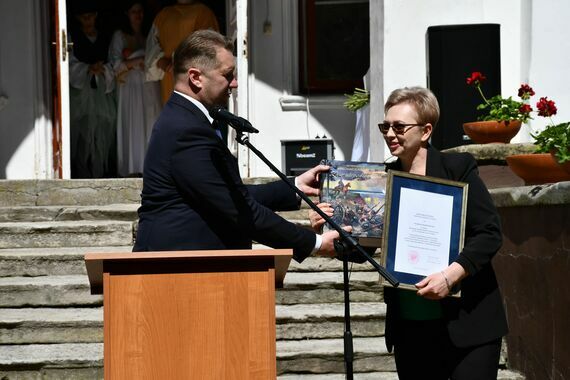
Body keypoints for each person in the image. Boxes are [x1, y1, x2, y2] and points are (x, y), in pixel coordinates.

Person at [310, 87, 508, 379]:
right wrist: (331, 230)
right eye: (385, 126)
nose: (390, 133)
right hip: (411, 328)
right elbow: (365, 248)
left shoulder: (458, 169)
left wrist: (450, 276)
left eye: (399, 127)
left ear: (426, 131)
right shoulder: (380, 180)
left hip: (468, 326)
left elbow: (490, 233)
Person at [133, 30, 344, 261]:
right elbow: (238, 210)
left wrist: (295, 187)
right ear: (196, 77)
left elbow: (226, 194)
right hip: (173, 272)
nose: (234, 84)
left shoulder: (185, 120)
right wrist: (316, 243)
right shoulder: (186, 129)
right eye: (228, 74)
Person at [109, 1, 161, 177]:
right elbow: (115, 65)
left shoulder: (150, 34)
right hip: (130, 87)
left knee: (150, 120)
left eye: (140, 11)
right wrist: (137, 61)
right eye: (133, 12)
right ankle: (131, 168)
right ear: (127, 14)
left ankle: (150, 167)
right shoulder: (120, 36)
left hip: (149, 85)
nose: (138, 15)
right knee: (133, 123)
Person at [69, 1, 117, 178]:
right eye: (84, 17)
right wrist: (87, 68)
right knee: (82, 131)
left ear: (96, 16)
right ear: (78, 19)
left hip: (101, 91)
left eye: (90, 16)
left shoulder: (105, 37)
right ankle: (81, 171)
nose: (88, 20)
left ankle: (101, 170)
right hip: (82, 94)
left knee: (102, 130)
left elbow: (113, 61)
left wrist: (102, 69)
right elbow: (69, 62)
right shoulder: (73, 37)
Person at [145, 0, 219, 104]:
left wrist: (184, 66)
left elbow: (211, 49)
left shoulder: (203, 12)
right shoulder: (163, 15)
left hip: (194, 81)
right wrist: (163, 63)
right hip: (169, 82)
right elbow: (151, 50)